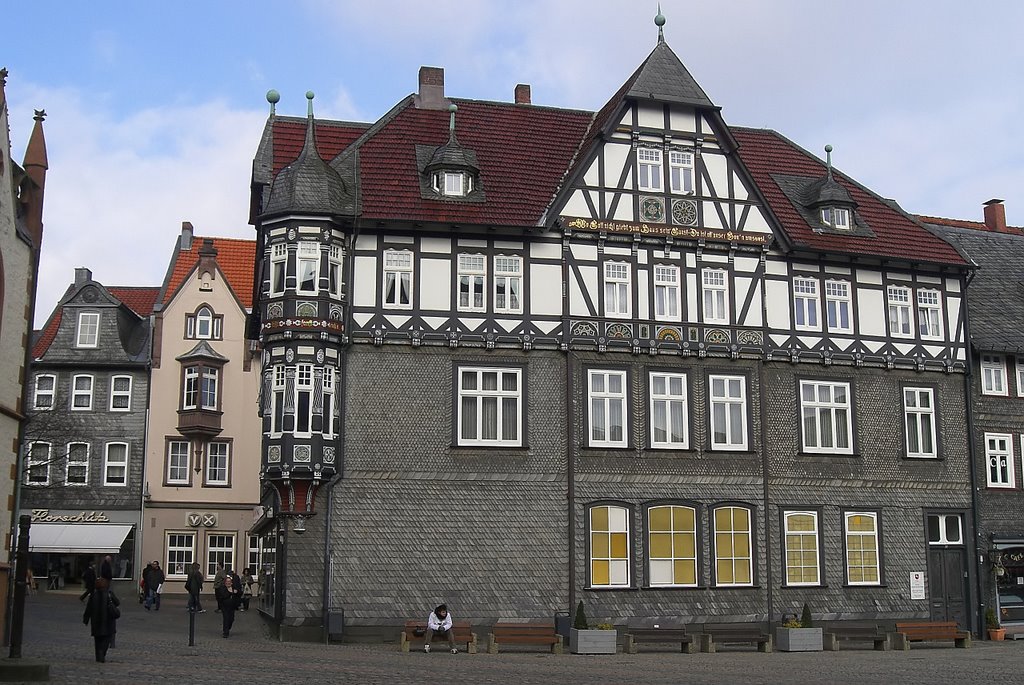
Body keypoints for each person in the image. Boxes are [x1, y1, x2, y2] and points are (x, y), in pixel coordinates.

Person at [83, 577, 120, 663]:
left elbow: (88, 609)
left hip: (96, 621)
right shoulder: (109, 594)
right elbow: (117, 603)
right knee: (106, 640)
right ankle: (102, 653)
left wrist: (86, 619)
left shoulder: (93, 595)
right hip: (108, 621)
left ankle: (98, 656)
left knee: (97, 640)